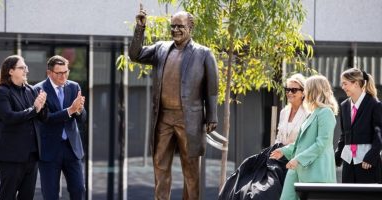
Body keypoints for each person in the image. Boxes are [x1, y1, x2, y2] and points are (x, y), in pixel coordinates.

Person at [128, 5, 219, 200]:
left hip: (190, 119)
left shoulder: (204, 53)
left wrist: (212, 115)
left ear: (190, 28)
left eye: (180, 26)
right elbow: (135, 55)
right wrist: (140, 28)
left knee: (191, 169)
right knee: (160, 166)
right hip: (163, 118)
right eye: (173, 26)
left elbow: (212, 88)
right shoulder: (161, 49)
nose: (175, 30)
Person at [218, 74, 308, 200]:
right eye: (287, 89)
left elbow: (305, 143)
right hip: (277, 156)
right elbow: (278, 138)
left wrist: (285, 152)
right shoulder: (284, 112)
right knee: (243, 174)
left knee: (264, 191)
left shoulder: (308, 114)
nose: (289, 93)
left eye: (294, 90)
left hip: (293, 159)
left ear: (303, 93)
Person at [270, 75, 338, 200]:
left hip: (316, 171)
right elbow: (302, 142)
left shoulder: (326, 113)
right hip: (298, 168)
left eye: (306, 89)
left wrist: (299, 159)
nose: (305, 92)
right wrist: (284, 150)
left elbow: (322, 143)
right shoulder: (314, 113)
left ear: (315, 90)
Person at [0, 55, 47, 200]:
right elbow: (9, 117)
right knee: (7, 196)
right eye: (22, 68)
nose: (26, 71)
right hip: (11, 156)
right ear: (10, 71)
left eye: (26, 67)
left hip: (32, 156)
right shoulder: (1, 92)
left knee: (27, 197)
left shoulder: (31, 90)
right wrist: (34, 109)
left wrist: (42, 106)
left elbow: (42, 118)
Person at [34, 55, 86, 200]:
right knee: (51, 194)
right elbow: (46, 119)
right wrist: (70, 110)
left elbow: (82, 118)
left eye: (66, 72)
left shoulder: (74, 87)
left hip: (72, 148)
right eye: (59, 73)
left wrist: (79, 109)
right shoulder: (39, 90)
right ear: (49, 73)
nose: (63, 76)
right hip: (49, 150)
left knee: (79, 189)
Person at [335, 68, 382, 183]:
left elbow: (380, 135)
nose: (342, 87)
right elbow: (344, 135)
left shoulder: (374, 104)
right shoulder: (344, 105)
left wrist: (371, 157)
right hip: (348, 162)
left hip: (367, 163)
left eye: (345, 83)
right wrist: (336, 158)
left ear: (356, 84)